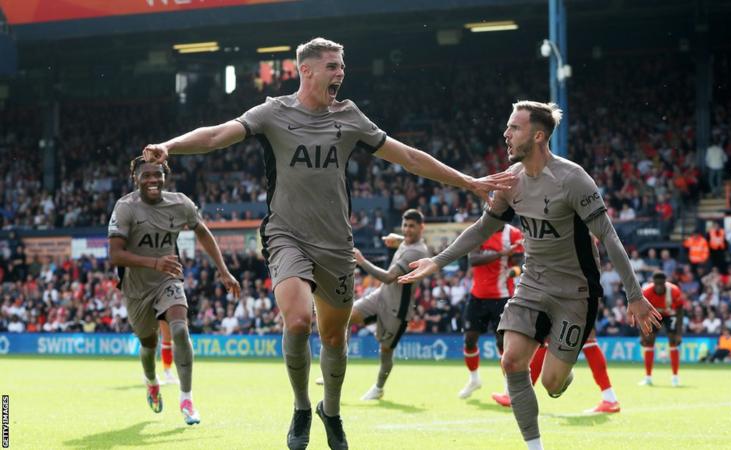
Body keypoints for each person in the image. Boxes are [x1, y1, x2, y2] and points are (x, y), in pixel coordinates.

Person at [142, 37, 512, 450]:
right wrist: (169, 146)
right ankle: (301, 407)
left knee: (334, 338)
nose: (340, 73)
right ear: (307, 70)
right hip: (285, 235)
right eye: (332, 66)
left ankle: (329, 411)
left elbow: (407, 156)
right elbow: (215, 136)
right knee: (298, 322)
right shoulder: (272, 112)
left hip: (336, 242)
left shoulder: (350, 116)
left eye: (341, 66)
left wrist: (467, 181)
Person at [398, 101, 660, 450]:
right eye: (508, 127)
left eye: (514, 128)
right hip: (532, 284)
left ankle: (562, 372)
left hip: (576, 292)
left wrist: (635, 295)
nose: (506, 134)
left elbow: (609, 237)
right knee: (511, 360)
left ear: (538, 135)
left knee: (552, 384)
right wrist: (437, 261)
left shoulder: (573, 179)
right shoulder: (509, 182)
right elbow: (481, 229)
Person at [109, 156, 241, 425]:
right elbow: (115, 254)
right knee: (148, 345)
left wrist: (223, 270)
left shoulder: (180, 203)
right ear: (136, 178)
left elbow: (202, 231)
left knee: (180, 329)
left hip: (168, 279)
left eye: (157, 174)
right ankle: (151, 381)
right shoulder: (125, 207)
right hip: (136, 287)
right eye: (146, 175)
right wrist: (154, 261)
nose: (153, 180)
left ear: (165, 176)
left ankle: (187, 399)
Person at [316, 209, 430, 400]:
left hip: (397, 309)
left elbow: (387, 277)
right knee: (345, 318)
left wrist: (361, 260)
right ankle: (335, 367)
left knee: (386, 351)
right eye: (405, 225)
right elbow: (406, 241)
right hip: (381, 297)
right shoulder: (408, 242)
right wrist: (399, 238)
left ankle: (378, 388)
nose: (407, 230)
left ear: (421, 228)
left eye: (412, 226)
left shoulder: (416, 252)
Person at [456, 224, 523, 400]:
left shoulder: (514, 233)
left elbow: (521, 261)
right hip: (477, 295)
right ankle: (474, 379)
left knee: (502, 344)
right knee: (470, 339)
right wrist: (501, 254)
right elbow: (474, 259)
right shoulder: (481, 229)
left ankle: (509, 388)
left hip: (502, 297)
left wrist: (514, 270)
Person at [638, 271, 686, 387]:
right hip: (654, 314)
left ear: (665, 282)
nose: (659, 286)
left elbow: (680, 312)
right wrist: (642, 334)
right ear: (653, 283)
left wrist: (679, 333)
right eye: (657, 284)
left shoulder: (674, 291)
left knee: (673, 341)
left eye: (661, 284)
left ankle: (675, 377)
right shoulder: (646, 292)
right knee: (649, 340)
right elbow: (641, 313)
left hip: (671, 315)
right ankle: (648, 378)